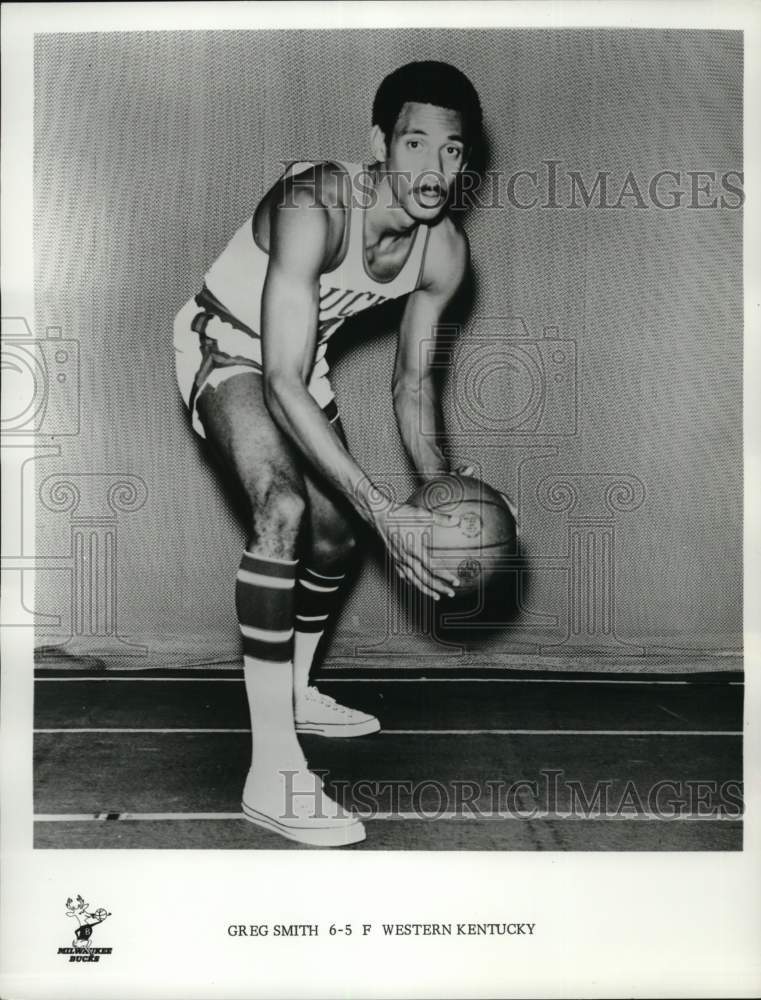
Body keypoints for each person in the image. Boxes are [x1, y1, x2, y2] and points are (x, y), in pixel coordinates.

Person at [174, 61, 483, 847]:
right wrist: (384, 508)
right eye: (415, 143)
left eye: (452, 151)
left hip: (295, 359)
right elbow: (276, 379)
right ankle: (273, 772)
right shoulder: (316, 203)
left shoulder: (442, 251)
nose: (433, 169)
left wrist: (443, 493)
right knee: (282, 509)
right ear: (379, 141)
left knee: (339, 536)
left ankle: (298, 689)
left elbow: (412, 387)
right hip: (227, 344)